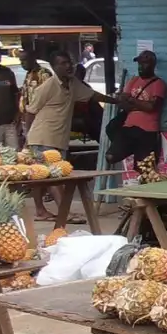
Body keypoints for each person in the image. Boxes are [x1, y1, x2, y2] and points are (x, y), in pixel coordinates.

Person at [25, 50, 116, 220]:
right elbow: (30, 112)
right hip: (42, 137)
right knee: (54, 176)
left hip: (60, 139)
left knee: (40, 178)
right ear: (53, 67)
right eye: (63, 63)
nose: (68, 66)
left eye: (69, 62)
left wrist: (116, 101)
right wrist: (27, 138)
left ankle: (40, 211)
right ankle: (64, 212)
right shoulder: (47, 87)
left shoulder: (73, 84)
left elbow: (92, 96)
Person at [106, 51, 167, 166]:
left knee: (144, 170)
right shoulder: (133, 80)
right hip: (129, 128)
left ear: (153, 65)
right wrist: (139, 104)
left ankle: (138, 152)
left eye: (144, 64)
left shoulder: (158, 84)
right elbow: (121, 103)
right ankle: (133, 149)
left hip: (147, 131)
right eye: (139, 64)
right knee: (110, 156)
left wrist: (132, 101)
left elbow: (151, 107)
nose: (141, 67)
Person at [18, 44, 52, 148]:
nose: (22, 63)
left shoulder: (44, 74)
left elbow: (47, 97)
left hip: (38, 119)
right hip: (27, 118)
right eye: (21, 60)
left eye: (24, 60)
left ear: (33, 58)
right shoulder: (28, 74)